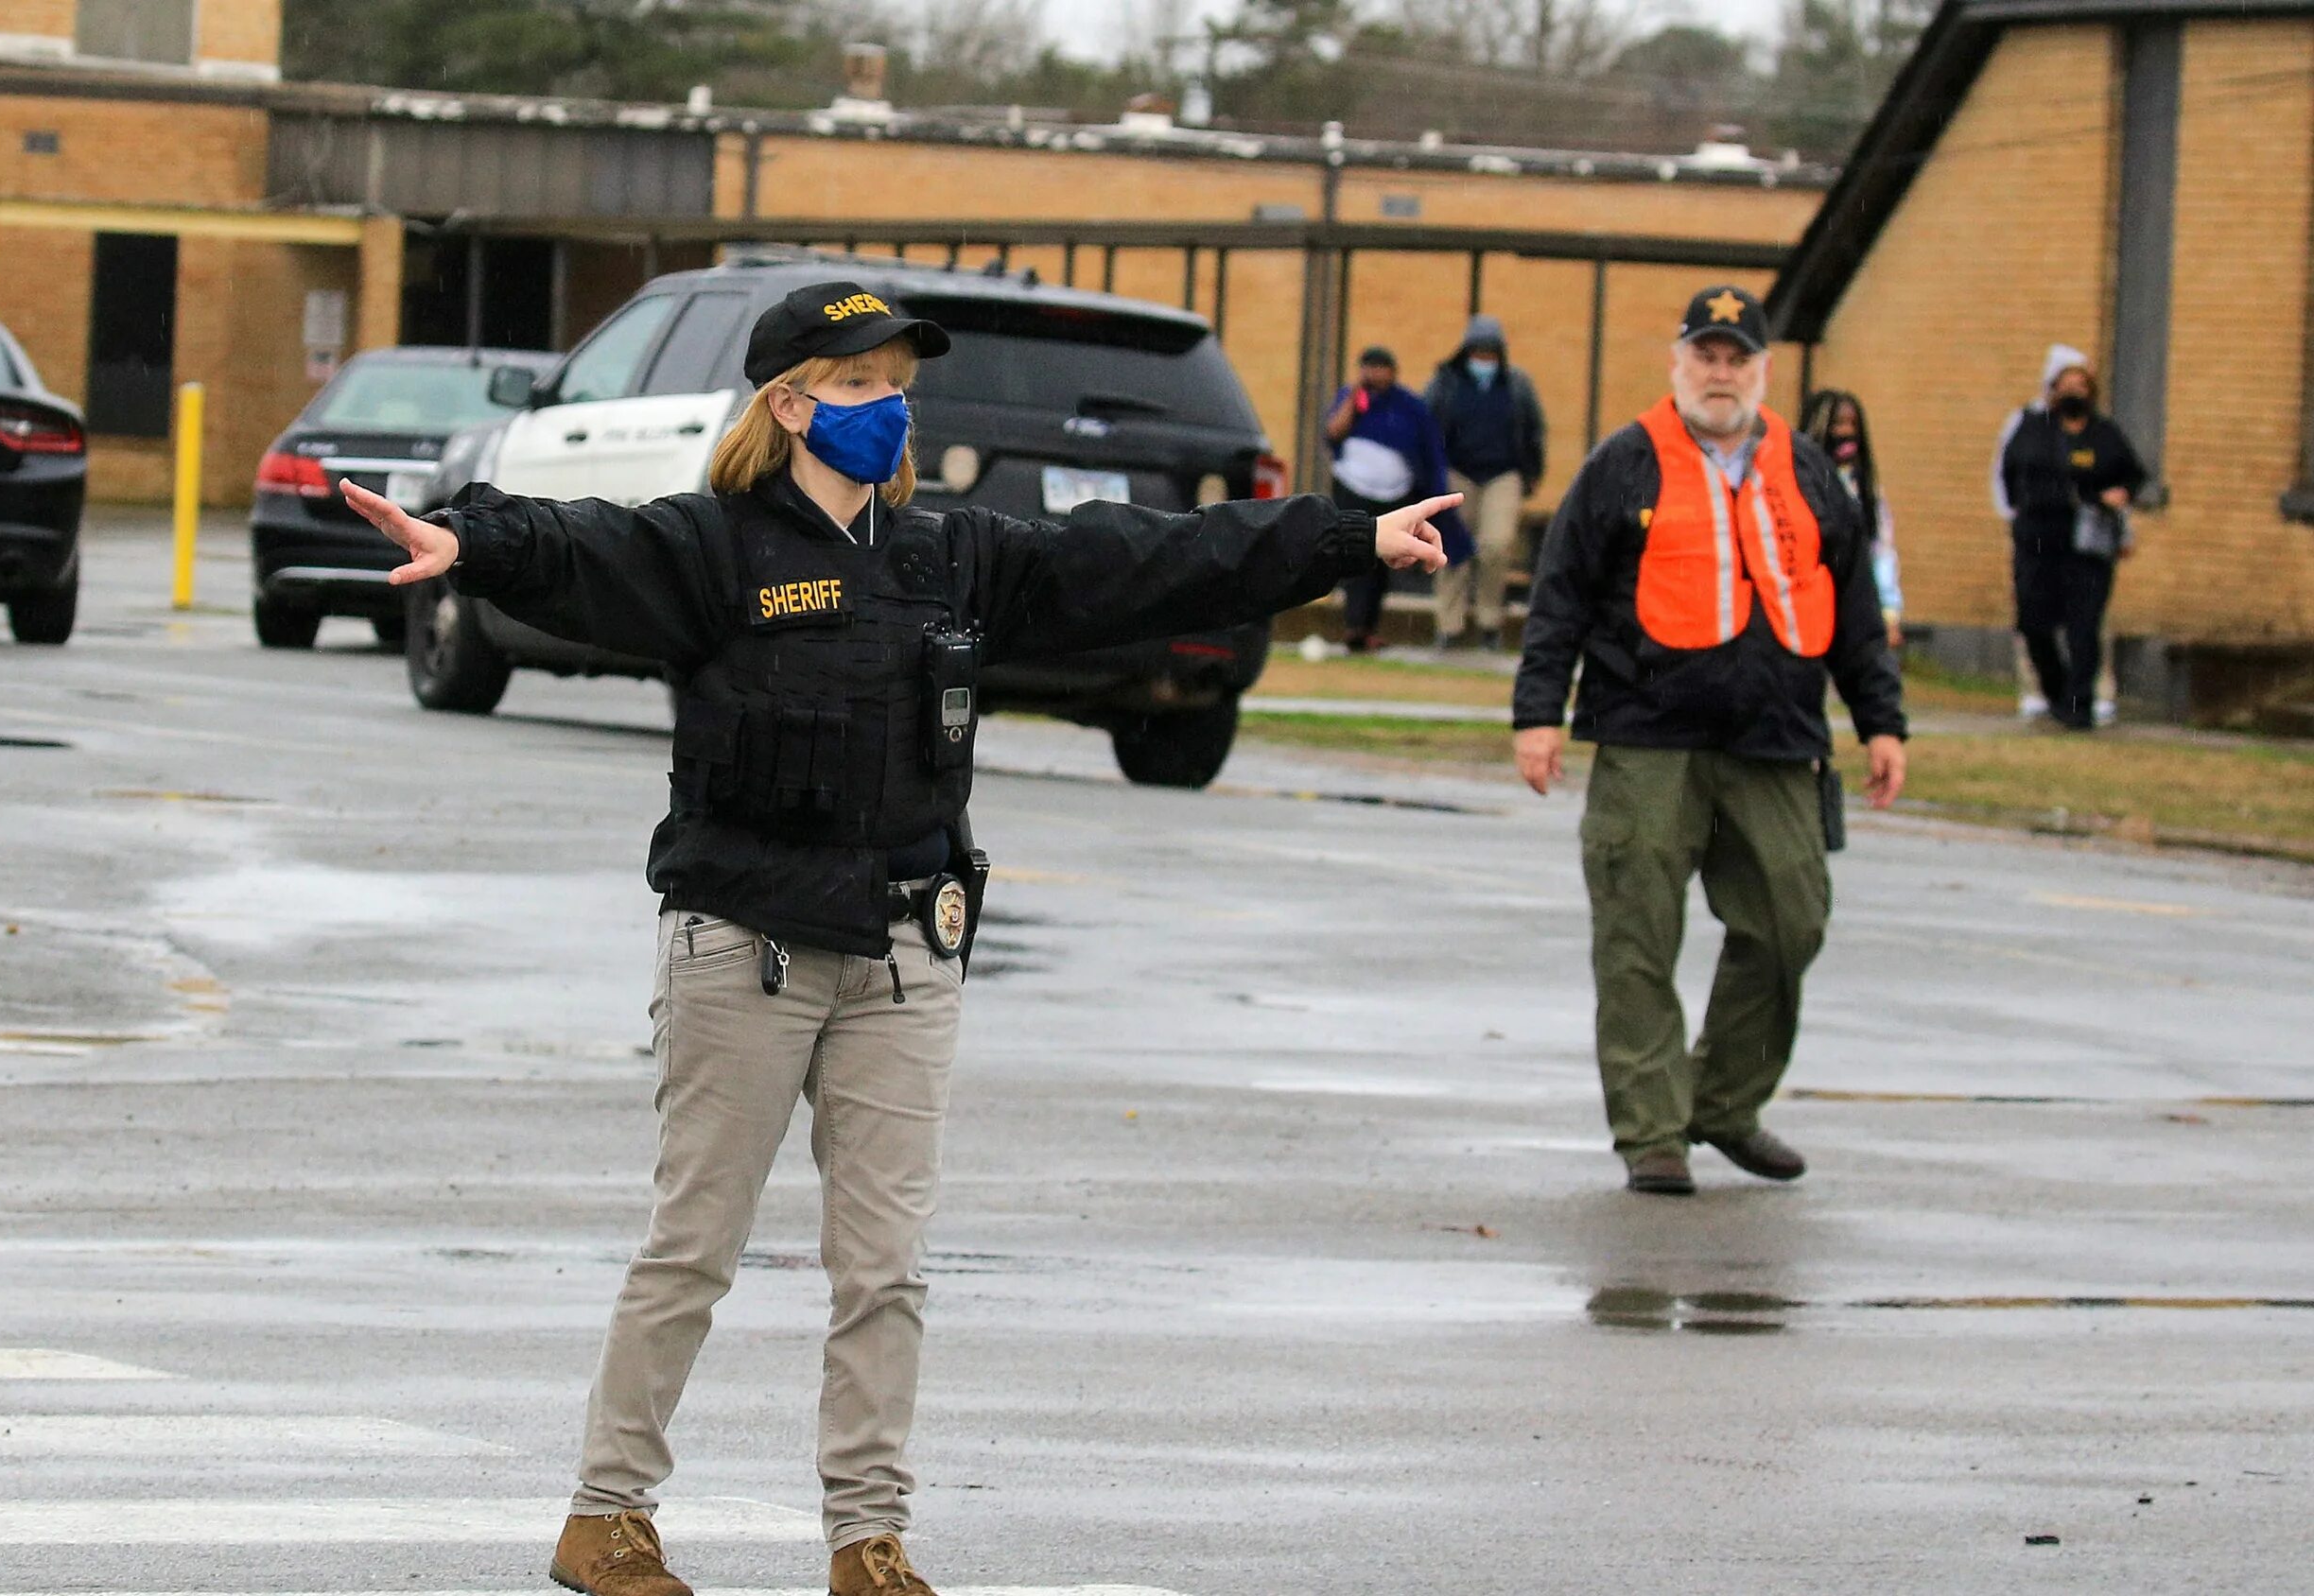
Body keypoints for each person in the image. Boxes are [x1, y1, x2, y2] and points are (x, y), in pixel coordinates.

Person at [341, 281, 1455, 1596]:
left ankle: (869, 1542)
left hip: (903, 952)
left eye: (897, 385)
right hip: (744, 949)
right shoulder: (710, 549)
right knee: (694, 1248)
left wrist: (1347, 540)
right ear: (792, 402)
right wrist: (465, 540)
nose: (890, 406)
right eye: (861, 385)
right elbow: (582, 542)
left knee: (886, 1272)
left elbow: (1150, 555)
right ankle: (607, 1515)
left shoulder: (955, 555)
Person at [1510, 285, 1908, 1197]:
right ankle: (1652, 1129)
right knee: (1638, 931)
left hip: (1776, 735)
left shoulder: (1811, 474)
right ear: (1677, 363)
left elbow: (1852, 612)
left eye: (1737, 360)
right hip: (1648, 732)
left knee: (1789, 923)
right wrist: (1539, 712)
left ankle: (1725, 1104)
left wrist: (1881, 723)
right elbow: (1561, 594)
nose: (1719, 375)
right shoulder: (1623, 465)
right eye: (1706, 356)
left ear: (1763, 373)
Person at [1993, 345, 2148, 731]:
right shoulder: (2031, 428)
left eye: (2082, 384)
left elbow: (2133, 475)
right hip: (2038, 539)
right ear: (2053, 389)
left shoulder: (2104, 434)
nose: (2074, 391)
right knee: (2033, 622)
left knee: (2084, 625)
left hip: (2087, 543)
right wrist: (2019, 511)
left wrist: (2119, 497)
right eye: (2067, 384)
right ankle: (2056, 691)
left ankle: (2079, 707)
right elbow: (2008, 473)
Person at [1323, 343, 1466, 651]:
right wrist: (1353, 398)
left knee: (1384, 561)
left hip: (1393, 495)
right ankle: (1354, 626)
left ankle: (1369, 626)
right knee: (1355, 556)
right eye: (1368, 366)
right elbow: (1334, 432)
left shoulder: (1408, 406)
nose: (1373, 373)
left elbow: (1427, 449)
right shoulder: (1354, 400)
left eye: (1379, 367)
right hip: (1353, 490)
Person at [1423, 313, 1547, 649]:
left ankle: (1490, 620)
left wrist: (1533, 471)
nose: (1484, 359)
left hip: (1503, 474)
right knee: (1452, 548)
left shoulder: (1517, 384)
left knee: (1496, 545)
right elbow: (1426, 427)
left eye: (1490, 353)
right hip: (1456, 472)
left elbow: (1534, 428)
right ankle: (1449, 625)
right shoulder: (1446, 383)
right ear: (1465, 352)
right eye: (1478, 352)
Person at [1801, 390, 1904, 648]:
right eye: (1838, 424)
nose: (1846, 432)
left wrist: (1889, 610)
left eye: (1852, 424)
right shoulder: (1798, 481)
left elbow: (1881, 551)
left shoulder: (1864, 491)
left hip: (1852, 607)